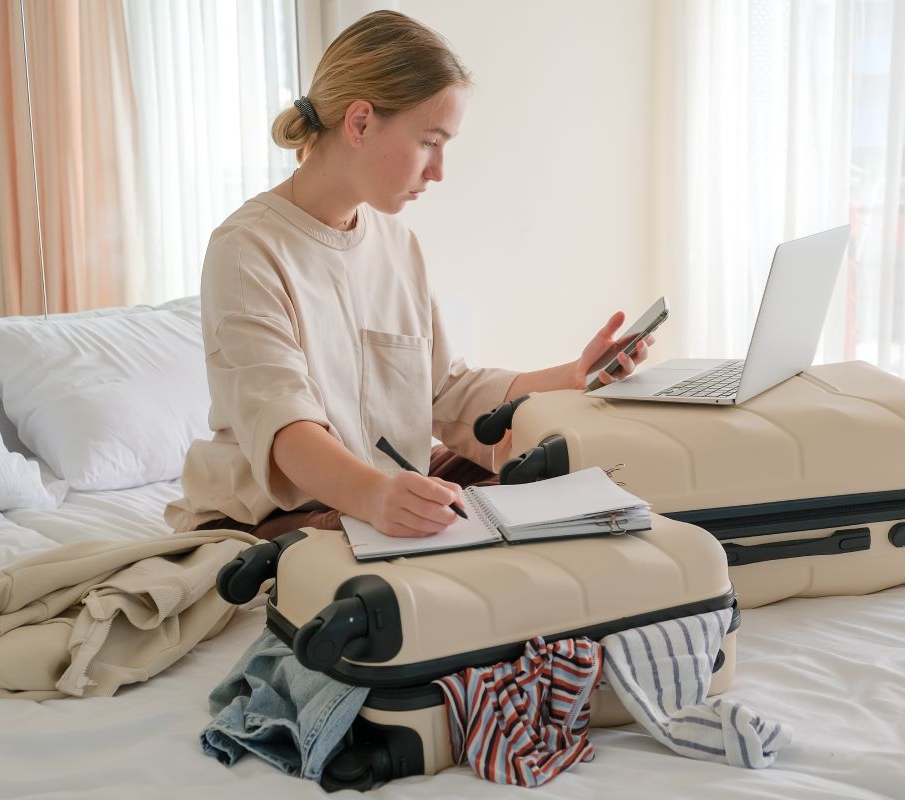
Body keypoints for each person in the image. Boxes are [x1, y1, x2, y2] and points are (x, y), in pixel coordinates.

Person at [165, 10, 652, 542]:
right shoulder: (247, 249)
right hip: (285, 507)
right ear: (359, 123)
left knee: (571, 493)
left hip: (395, 483)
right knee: (434, 539)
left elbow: (446, 390)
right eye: (430, 141)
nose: (439, 170)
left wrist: (574, 375)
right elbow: (285, 430)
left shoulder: (397, 244)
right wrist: (375, 496)